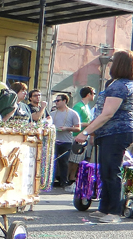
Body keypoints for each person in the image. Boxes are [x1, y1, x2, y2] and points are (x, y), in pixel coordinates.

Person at [75, 51, 133, 223]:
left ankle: (114, 212)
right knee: (106, 171)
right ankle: (104, 208)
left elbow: (107, 114)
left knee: (111, 171)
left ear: (118, 64)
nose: (109, 64)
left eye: (112, 61)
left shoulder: (119, 86)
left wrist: (85, 132)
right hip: (113, 132)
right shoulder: (122, 84)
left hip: (115, 132)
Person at [65, 86, 95, 192]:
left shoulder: (86, 107)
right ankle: (69, 180)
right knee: (73, 159)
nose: (94, 96)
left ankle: (72, 179)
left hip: (84, 136)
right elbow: (75, 121)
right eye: (93, 93)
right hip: (77, 135)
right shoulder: (79, 106)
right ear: (88, 94)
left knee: (78, 160)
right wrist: (90, 124)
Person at [50, 93, 81, 189]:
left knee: (64, 162)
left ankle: (64, 181)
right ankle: (50, 181)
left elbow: (78, 128)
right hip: (54, 140)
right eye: (55, 101)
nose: (56, 102)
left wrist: (67, 128)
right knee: (52, 161)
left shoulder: (72, 113)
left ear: (64, 101)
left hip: (66, 141)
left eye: (58, 100)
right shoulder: (52, 114)